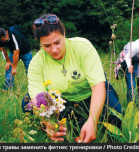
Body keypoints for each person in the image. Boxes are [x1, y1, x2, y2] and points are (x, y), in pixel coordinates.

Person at [23, 14, 122, 143]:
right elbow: (37, 98)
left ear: (64, 33)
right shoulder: (36, 63)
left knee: (115, 112)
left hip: (91, 95)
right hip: (63, 103)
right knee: (26, 104)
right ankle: (61, 132)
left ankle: (94, 125)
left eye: (57, 42)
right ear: (40, 44)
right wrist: (47, 122)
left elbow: (97, 86)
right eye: (46, 46)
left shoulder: (82, 47)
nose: (54, 49)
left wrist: (92, 120)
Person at [0, 26, 33, 90]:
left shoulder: (14, 35)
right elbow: (3, 49)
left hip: (26, 51)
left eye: (3, 40)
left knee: (30, 70)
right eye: (1, 41)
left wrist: (14, 68)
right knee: (9, 68)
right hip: (13, 51)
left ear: (6, 34)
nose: (3, 42)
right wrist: (8, 62)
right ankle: (7, 88)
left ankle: (33, 87)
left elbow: (16, 53)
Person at [114, 39, 139, 104]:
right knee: (131, 85)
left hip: (137, 60)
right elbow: (127, 57)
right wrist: (129, 67)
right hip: (127, 59)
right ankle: (130, 106)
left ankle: (137, 104)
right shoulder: (137, 47)